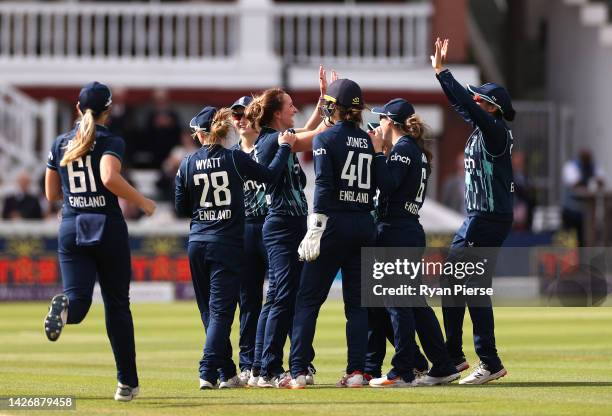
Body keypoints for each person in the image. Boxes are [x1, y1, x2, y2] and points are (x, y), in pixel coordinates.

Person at [43, 82, 156, 401]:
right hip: (106, 225)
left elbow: (51, 194)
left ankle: (63, 308)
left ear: (78, 109)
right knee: (117, 305)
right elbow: (109, 177)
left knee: (77, 303)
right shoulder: (110, 139)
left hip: (71, 225)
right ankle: (126, 384)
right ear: (108, 111)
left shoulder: (60, 142)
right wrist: (143, 202)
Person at [175, 105, 295, 390]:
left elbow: (181, 208)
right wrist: (285, 149)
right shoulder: (234, 159)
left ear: (200, 134)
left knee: (208, 312)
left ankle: (226, 372)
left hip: (197, 243)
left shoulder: (186, 163)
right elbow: (270, 176)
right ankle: (207, 370)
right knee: (220, 314)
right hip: (226, 243)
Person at [280, 78, 378, 389]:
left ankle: (297, 371)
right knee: (357, 305)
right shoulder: (367, 140)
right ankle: (358, 372)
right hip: (364, 224)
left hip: (333, 224)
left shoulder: (326, 139)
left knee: (307, 299)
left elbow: (322, 184)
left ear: (333, 108)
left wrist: (315, 227)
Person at [433, 38, 515, 384]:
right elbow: (463, 106)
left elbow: (468, 104)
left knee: (473, 286)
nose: (475, 100)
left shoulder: (495, 131)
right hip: (478, 218)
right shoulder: (483, 128)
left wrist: (443, 72)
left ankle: (489, 361)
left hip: (487, 218)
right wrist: (441, 78)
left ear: (492, 107)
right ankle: (454, 356)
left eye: (481, 98)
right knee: (452, 281)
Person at [364, 99, 460, 387]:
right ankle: (442, 365)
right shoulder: (413, 150)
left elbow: (389, 184)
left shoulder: (403, 150)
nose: (379, 124)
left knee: (398, 302)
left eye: (382, 119)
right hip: (407, 229)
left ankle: (403, 371)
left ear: (391, 122)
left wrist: (379, 154)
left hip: (398, 231)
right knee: (415, 303)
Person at [244, 69, 330, 388]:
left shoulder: (282, 139)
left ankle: (261, 366)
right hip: (280, 225)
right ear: (278, 113)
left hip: (291, 225)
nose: (295, 109)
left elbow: (312, 132)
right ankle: (266, 368)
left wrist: (325, 100)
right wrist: (335, 108)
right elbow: (268, 175)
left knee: (282, 295)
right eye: (291, 105)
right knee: (281, 295)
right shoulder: (270, 143)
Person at [228, 95, 268, 385]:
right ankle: (248, 363)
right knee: (248, 301)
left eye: (245, 114)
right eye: (236, 115)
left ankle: (291, 363)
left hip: (273, 226)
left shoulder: (271, 147)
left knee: (282, 298)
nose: (240, 120)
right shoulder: (230, 154)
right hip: (244, 230)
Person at [561, 149, 604, 246]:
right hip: (570, 211)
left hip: (585, 214)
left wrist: (596, 179)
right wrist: (588, 176)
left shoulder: (592, 166)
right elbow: (574, 183)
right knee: (569, 243)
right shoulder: (571, 166)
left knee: (583, 242)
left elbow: (601, 180)